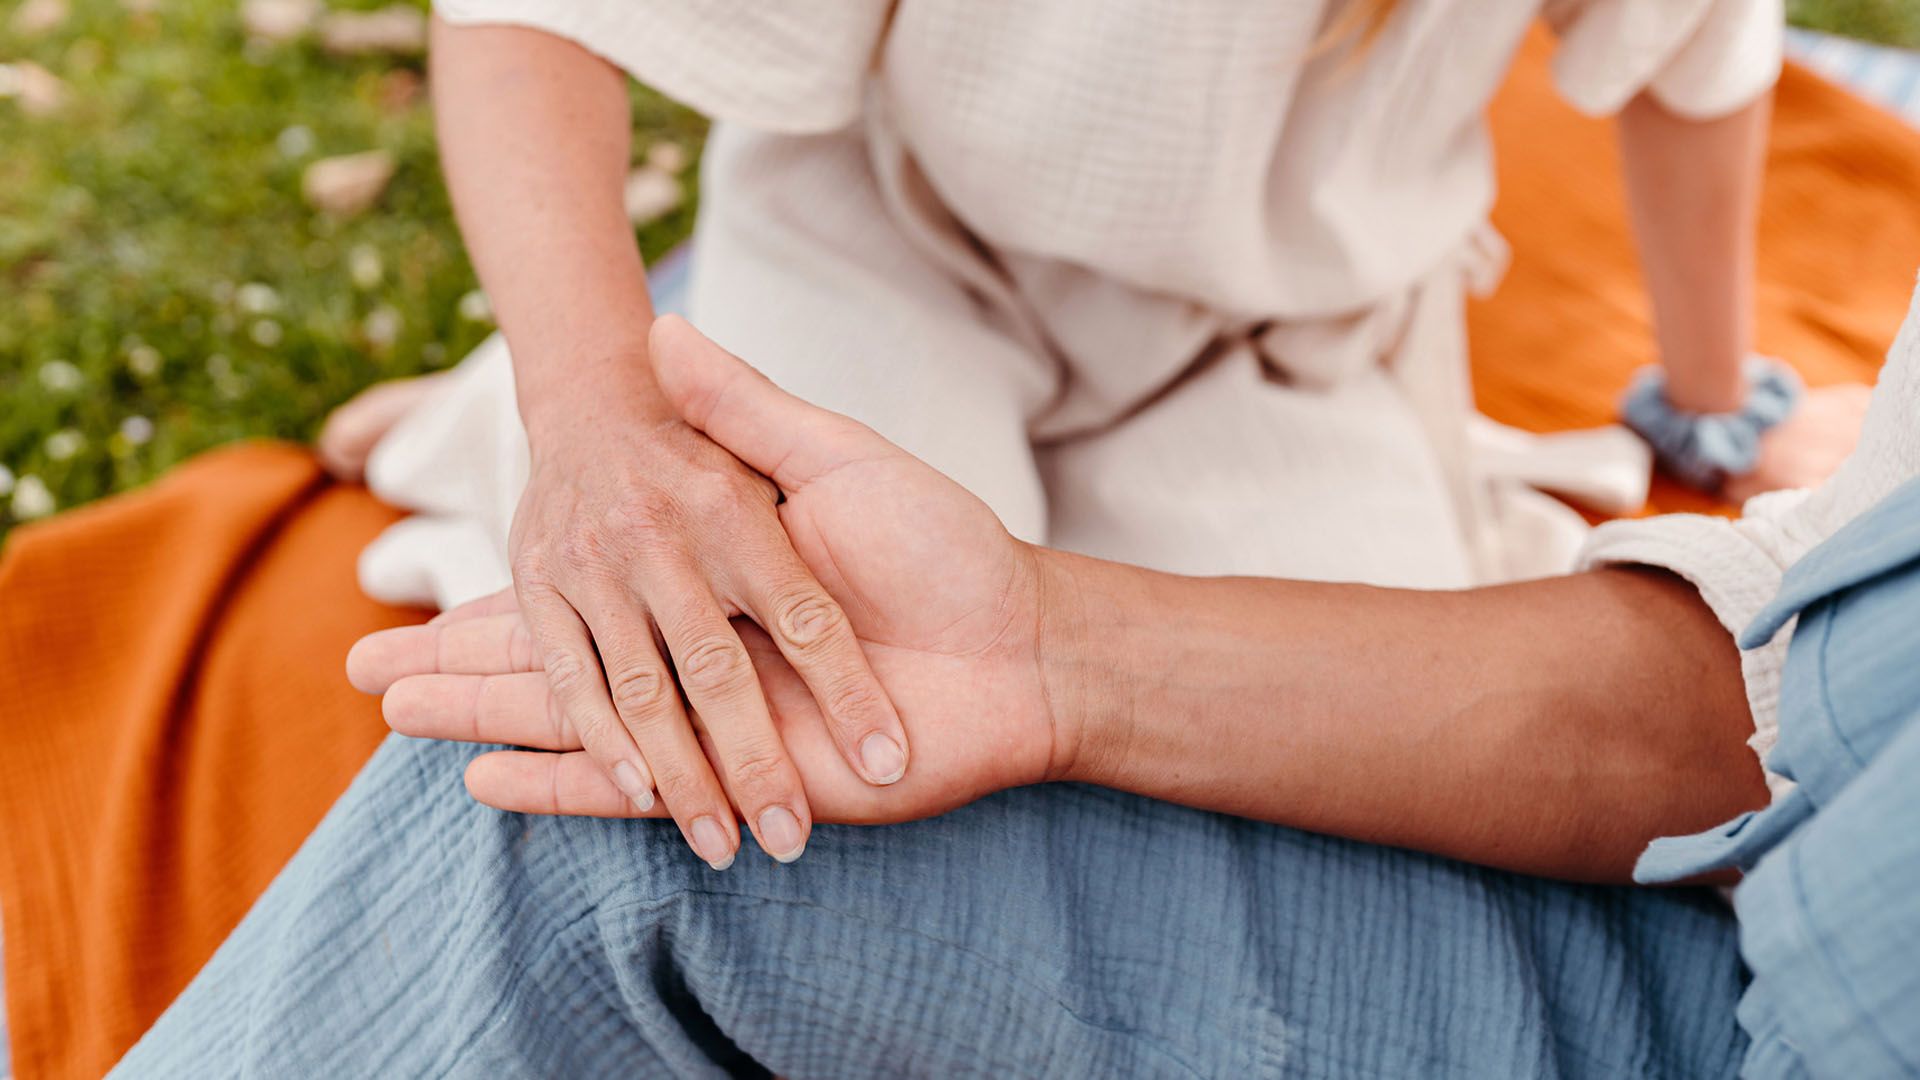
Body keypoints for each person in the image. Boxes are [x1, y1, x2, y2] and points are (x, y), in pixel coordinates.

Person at [114, 274, 1919, 1073]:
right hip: (1722, 978)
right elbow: (1785, 675)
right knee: (672, 761)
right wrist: (1059, 648)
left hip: (1297, 357)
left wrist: (1702, 362)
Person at [311, 0, 1869, 874]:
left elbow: (1697, 62)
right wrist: (592, 414)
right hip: (898, 237)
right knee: (811, 700)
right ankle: (564, 365)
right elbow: (537, 21)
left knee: (1366, 792)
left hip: (1288, 336)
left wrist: (1713, 394)